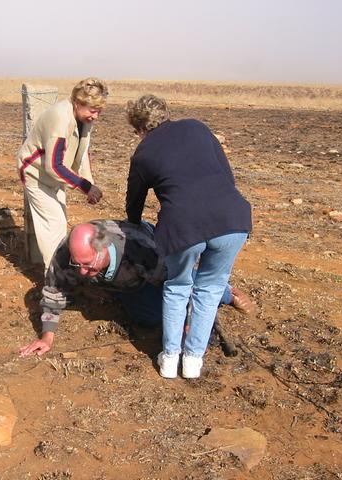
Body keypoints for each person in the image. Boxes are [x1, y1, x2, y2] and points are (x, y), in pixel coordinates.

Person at [125, 95, 252, 380]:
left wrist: (133, 226)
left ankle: (170, 359)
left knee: (177, 287)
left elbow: (134, 200)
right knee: (209, 290)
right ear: (167, 114)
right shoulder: (197, 127)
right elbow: (226, 174)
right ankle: (193, 361)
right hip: (232, 219)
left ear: (139, 128)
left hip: (181, 227)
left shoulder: (143, 153)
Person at [19, 220, 254, 357]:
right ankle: (114, 287)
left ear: (105, 249)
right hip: (125, 283)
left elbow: (177, 284)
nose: (80, 271)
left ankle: (226, 292)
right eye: (76, 264)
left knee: (186, 289)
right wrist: (47, 337)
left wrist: (189, 323)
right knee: (148, 319)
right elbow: (54, 291)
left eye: (87, 265)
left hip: (153, 270)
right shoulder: (67, 252)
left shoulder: (142, 251)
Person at [17, 78, 108, 270]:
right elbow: (54, 166)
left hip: (54, 177)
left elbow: (82, 152)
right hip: (36, 174)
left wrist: (89, 182)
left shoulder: (83, 118)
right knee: (54, 226)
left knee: (58, 223)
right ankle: (55, 280)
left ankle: (60, 271)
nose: (96, 116)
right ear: (77, 103)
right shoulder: (60, 118)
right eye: (93, 110)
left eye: (99, 111)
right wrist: (85, 187)